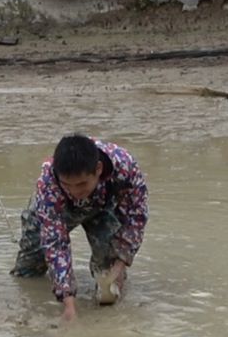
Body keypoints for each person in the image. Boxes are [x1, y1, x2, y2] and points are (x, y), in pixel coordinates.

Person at [11, 135, 149, 322]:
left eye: (82, 184)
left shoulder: (124, 166)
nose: (75, 191)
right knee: (28, 273)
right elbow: (55, 243)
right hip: (56, 209)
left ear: (98, 170)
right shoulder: (48, 182)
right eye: (67, 185)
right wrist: (68, 304)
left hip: (102, 208)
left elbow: (135, 216)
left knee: (108, 282)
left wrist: (120, 262)